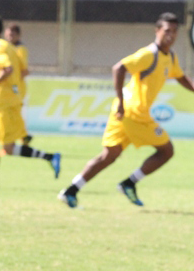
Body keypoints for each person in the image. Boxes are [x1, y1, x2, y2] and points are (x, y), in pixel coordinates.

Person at [59, 12, 194, 208]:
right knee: (166, 150)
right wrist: (121, 102)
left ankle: (71, 190)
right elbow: (119, 68)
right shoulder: (149, 54)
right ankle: (129, 183)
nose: (170, 36)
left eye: (174, 32)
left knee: (108, 156)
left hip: (123, 113)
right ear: (157, 31)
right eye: (166, 31)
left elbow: (180, 77)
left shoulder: (170, 57)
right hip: (134, 113)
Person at [0, 14, 61, 190]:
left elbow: (8, 69)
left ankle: (50, 157)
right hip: (6, 102)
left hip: (4, 103)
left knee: (5, 146)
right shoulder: (8, 46)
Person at [4, 23, 33, 146]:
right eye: (8, 34)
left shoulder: (20, 49)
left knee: (14, 113)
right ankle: (23, 137)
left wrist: (12, 81)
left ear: (18, 36)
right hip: (12, 87)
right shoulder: (8, 48)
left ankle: (19, 138)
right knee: (13, 113)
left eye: (13, 35)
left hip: (17, 88)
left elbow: (24, 71)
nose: (10, 37)